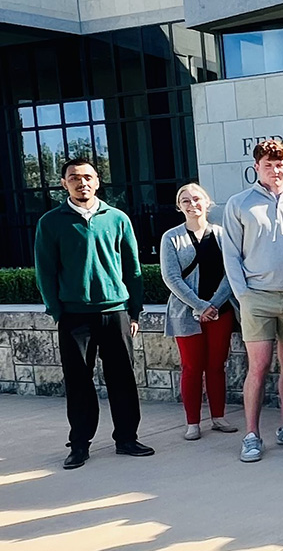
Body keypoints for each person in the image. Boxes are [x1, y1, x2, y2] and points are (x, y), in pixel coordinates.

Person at [34, 158, 154, 470]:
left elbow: (133, 268)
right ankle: (79, 444)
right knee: (78, 382)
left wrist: (134, 311)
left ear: (98, 181)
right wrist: (56, 310)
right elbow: (45, 271)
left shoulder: (117, 218)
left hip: (115, 311)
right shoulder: (51, 222)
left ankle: (127, 438)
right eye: (74, 177)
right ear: (64, 184)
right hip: (74, 317)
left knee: (123, 379)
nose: (81, 182)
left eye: (87, 176)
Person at [222, 139, 283, 463]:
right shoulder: (239, 204)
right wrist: (243, 293)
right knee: (259, 366)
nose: (275, 170)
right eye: (268, 165)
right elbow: (231, 254)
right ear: (256, 167)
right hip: (257, 297)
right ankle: (252, 435)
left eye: (280, 165)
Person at [160, 183, 238, 441]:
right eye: (185, 200)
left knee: (217, 366)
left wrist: (214, 304)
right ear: (179, 206)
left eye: (196, 199)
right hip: (186, 313)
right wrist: (200, 306)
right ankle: (192, 422)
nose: (192, 204)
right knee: (192, 367)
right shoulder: (171, 238)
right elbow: (171, 277)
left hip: (221, 311)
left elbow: (232, 272)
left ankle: (218, 417)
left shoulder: (223, 235)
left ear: (207, 202)